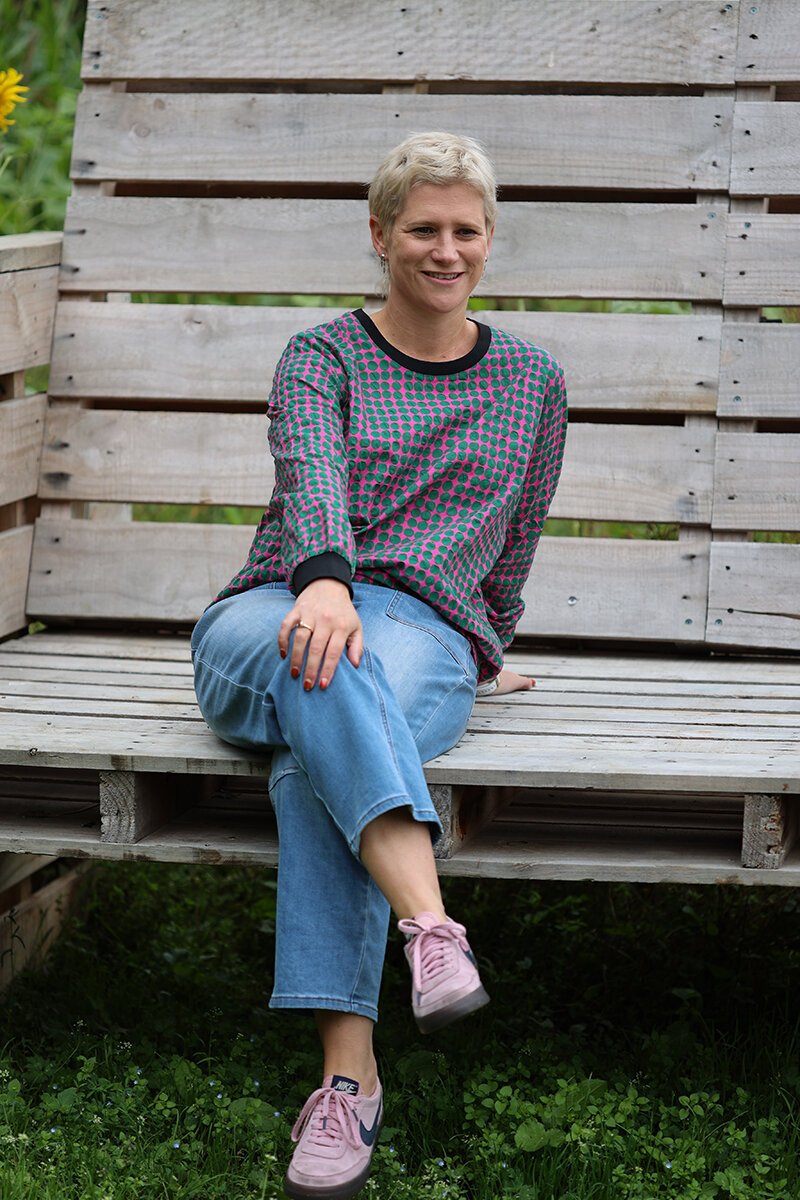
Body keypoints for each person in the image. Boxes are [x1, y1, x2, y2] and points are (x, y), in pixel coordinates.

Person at [190, 131, 568, 1199]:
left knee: (323, 735)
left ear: (488, 239)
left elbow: (517, 537)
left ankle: (346, 1082)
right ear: (379, 235)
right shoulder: (323, 355)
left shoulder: (532, 383)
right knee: (322, 660)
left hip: (423, 634)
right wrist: (322, 581)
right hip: (276, 605)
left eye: (465, 231)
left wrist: (483, 644)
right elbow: (308, 467)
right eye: (422, 229)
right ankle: (429, 928)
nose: (445, 251)